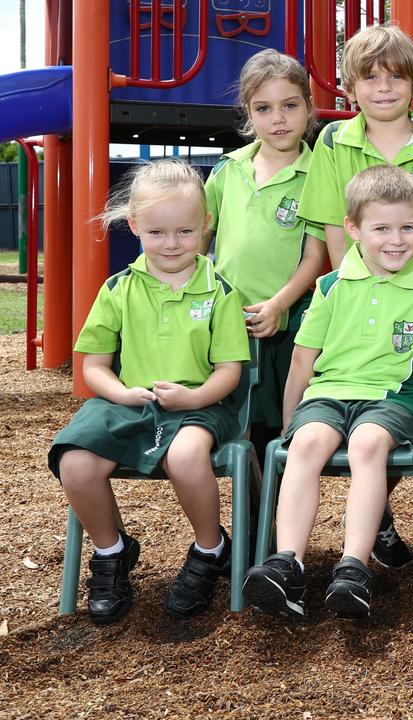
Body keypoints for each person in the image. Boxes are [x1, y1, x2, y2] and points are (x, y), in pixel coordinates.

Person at [243, 165, 413, 620]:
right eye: (381, 228)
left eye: (408, 228)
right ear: (353, 229)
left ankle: (353, 567)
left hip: (389, 400)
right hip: (327, 393)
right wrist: (288, 421)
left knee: (367, 443)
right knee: (308, 443)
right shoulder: (329, 286)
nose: (396, 239)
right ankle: (287, 563)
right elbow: (303, 360)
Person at [49, 159, 250, 624]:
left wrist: (193, 399)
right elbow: (94, 368)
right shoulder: (118, 288)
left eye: (184, 231)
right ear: (135, 226)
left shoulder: (219, 292)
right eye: (157, 232)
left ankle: (209, 548)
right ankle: (112, 550)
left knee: (183, 457)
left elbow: (228, 372)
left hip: (200, 407)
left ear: (205, 226)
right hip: (128, 403)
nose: (172, 244)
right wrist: (119, 393)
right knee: (75, 462)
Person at [297, 24, 413, 566]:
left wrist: (403, 286)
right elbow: (330, 224)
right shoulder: (331, 140)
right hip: (352, 295)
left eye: (397, 76)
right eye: (370, 78)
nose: (385, 87)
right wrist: (351, 283)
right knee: (344, 411)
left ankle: (376, 523)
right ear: (350, 86)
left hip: (409, 300)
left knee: (393, 410)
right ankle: (376, 526)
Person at [204, 49, 326, 463]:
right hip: (229, 319)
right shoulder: (227, 170)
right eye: (264, 108)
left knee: (276, 427)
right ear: (248, 114)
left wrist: (278, 304)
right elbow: (201, 239)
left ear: (309, 109)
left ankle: (270, 519)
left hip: (284, 319)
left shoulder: (318, 174)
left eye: (290, 105)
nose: (279, 118)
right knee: (237, 425)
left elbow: (314, 256)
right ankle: (251, 520)